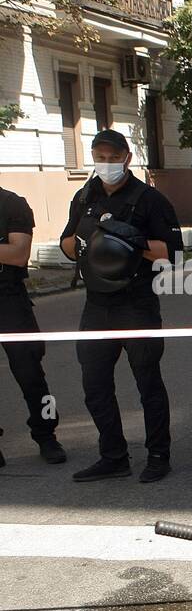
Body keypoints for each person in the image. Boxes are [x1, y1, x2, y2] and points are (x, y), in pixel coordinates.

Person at [59, 128, 180, 482]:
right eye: (101, 157)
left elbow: (170, 252)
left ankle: (158, 455)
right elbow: (68, 245)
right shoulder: (84, 196)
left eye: (114, 158)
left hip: (136, 302)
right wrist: (88, 238)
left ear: (127, 158)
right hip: (96, 305)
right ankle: (113, 456)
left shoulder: (149, 199)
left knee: (147, 382)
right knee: (94, 384)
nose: (107, 164)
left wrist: (126, 241)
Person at [0, 183, 65, 467]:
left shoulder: (12, 203)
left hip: (8, 298)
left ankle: (47, 434)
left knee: (31, 373)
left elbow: (18, 254)